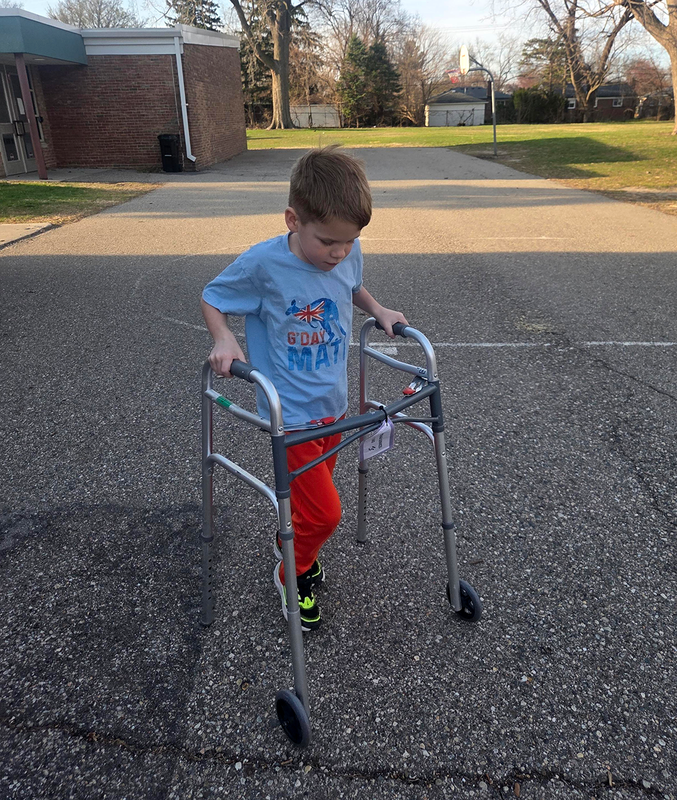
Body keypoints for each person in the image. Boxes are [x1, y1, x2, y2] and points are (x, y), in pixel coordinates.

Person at [201, 145, 407, 631]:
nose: (339, 253)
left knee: (312, 503)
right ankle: (289, 569)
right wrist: (224, 337)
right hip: (289, 415)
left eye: (350, 242)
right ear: (293, 220)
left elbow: (352, 284)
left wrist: (377, 310)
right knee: (327, 513)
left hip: (332, 406)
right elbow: (213, 296)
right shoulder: (263, 265)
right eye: (329, 242)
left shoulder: (346, 254)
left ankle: (293, 542)